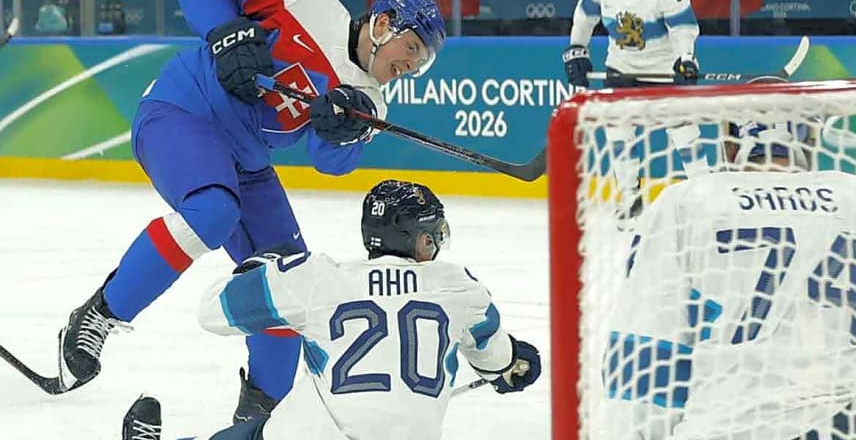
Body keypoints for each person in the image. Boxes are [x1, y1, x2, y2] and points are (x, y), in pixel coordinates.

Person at [54, 0, 446, 425]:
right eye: (412, 48)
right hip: (182, 109)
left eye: (421, 62)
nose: (411, 66)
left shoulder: (371, 98)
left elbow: (329, 162)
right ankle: (98, 316)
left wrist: (343, 125)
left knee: (285, 283)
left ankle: (258, 422)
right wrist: (229, 32)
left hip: (246, 159)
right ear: (384, 24)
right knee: (213, 211)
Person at [119, 179, 542, 440]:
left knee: (254, 433)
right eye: (432, 236)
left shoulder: (318, 279)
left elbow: (211, 311)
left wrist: (259, 270)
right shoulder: (459, 286)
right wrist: (514, 362)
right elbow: (498, 359)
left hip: (312, 434)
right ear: (419, 239)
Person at [595, 118, 856, 439]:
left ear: (729, 146)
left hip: (736, 424)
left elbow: (645, 350)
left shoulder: (690, 201)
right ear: (811, 143)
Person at [562, 0, 702, 220]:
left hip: (662, 71)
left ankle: (704, 194)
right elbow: (584, 17)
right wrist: (577, 49)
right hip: (621, 69)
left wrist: (685, 57)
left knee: (684, 133)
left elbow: (683, 28)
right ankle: (630, 196)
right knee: (618, 133)